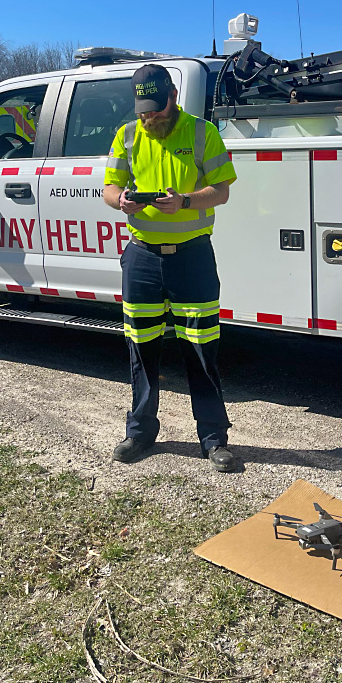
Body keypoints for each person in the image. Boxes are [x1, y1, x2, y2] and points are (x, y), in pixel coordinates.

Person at [103, 64, 238, 472]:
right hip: (142, 257)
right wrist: (121, 200)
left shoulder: (202, 132)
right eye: (144, 110)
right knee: (141, 348)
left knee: (200, 348)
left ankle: (213, 439)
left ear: (173, 96)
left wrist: (184, 201)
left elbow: (222, 190)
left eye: (157, 109)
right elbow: (108, 188)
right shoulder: (127, 134)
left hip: (192, 256)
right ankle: (141, 432)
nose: (151, 117)